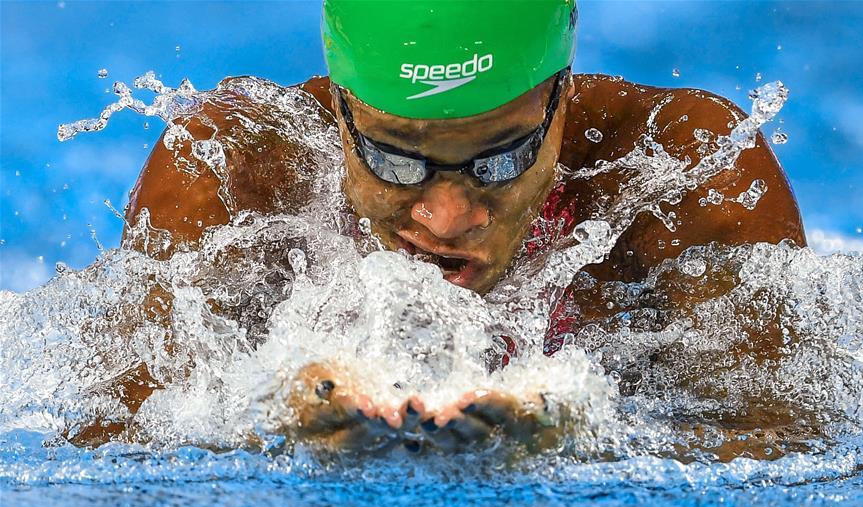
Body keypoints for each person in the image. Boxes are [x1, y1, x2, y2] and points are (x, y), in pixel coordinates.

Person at [78, 0, 806, 457]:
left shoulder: (682, 170)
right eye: (396, 160)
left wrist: (581, 438)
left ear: (561, 100)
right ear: (339, 108)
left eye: (502, 157)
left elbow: (786, 452)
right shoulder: (230, 171)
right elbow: (113, 454)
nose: (447, 217)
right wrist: (271, 420)